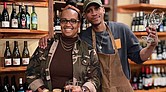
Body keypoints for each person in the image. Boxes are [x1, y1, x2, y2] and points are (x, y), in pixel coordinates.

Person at [39, 0, 158, 91]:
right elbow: (66, 37)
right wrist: (49, 38)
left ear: (103, 10)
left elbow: (139, 57)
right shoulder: (83, 36)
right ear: (85, 16)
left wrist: (151, 46)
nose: (94, 13)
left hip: (121, 89)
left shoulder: (121, 30)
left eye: (96, 8)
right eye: (89, 11)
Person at [26, 5, 101, 92]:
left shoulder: (88, 50)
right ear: (60, 23)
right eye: (64, 20)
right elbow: (31, 72)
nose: (68, 24)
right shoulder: (46, 45)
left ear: (79, 24)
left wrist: (83, 89)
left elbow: (96, 78)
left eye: (73, 21)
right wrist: (41, 89)